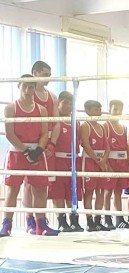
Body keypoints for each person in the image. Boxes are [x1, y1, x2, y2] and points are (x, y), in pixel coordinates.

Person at [1, 74, 58, 237]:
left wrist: (38, 150)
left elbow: (45, 133)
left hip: (37, 152)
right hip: (17, 152)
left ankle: (41, 225)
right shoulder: (11, 108)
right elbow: (9, 134)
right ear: (19, 86)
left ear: (35, 88)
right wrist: (26, 152)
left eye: (31, 86)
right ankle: (6, 225)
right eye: (24, 86)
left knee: (40, 189)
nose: (27, 90)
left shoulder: (42, 110)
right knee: (12, 190)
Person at [48, 91, 84, 232]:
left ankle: (74, 221)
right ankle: (62, 222)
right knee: (58, 193)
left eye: (71, 104)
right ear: (58, 103)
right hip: (58, 160)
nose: (68, 106)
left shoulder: (76, 122)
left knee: (72, 191)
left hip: (73, 160)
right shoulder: (54, 121)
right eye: (65, 103)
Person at [30, 61, 58, 234]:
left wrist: (52, 143)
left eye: (49, 75)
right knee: (28, 185)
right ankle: (30, 221)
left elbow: (56, 122)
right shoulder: (27, 94)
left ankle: (40, 222)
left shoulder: (52, 97)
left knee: (41, 184)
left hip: (46, 143)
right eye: (45, 74)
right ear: (35, 73)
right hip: (30, 143)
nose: (48, 78)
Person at [79, 99, 111, 231]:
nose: (98, 112)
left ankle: (98, 220)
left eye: (100, 109)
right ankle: (89, 221)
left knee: (100, 191)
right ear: (87, 111)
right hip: (89, 161)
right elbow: (86, 145)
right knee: (89, 191)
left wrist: (104, 159)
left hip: (101, 160)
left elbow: (107, 146)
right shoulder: (85, 126)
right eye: (95, 109)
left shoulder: (102, 127)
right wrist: (98, 160)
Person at [106, 99, 129, 229]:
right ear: (109, 109)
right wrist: (106, 165)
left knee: (118, 192)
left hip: (122, 162)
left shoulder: (124, 127)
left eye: (120, 109)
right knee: (108, 191)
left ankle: (119, 218)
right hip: (110, 161)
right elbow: (104, 147)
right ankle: (106, 218)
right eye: (115, 109)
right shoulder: (106, 126)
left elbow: (127, 148)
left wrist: (128, 164)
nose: (118, 112)